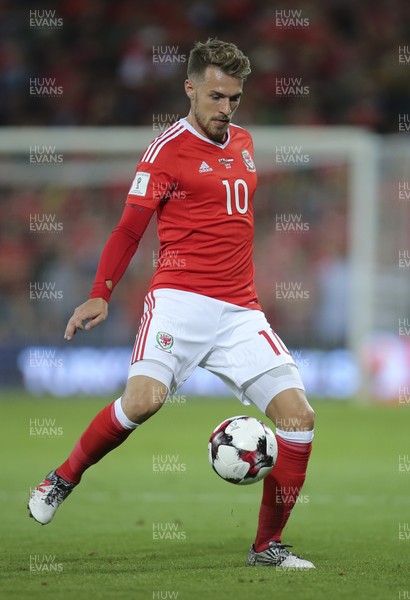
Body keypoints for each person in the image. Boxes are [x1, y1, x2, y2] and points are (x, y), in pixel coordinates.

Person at [28, 39, 315, 569]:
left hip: (240, 310)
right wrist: (101, 292)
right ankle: (62, 477)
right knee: (143, 401)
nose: (225, 108)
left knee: (299, 419)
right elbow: (128, 229)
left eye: (233, 98)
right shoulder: (165, 151)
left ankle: (266, 548)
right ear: (190, 88)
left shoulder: (245, 142)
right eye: (215, 96)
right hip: (179, 302)